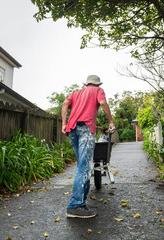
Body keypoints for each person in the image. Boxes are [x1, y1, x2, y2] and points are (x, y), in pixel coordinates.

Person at [61, 74, 115, 218]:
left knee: (82, 166)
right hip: (85, 128)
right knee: (84, 167)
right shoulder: (98, 91)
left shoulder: (76, 93)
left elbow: (65, 104)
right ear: (97, 85)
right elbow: (103, 103)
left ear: (86, 84)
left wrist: (64, 124)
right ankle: (75, 206)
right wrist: (111, 121)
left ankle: (81, 203)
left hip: (71, 129)